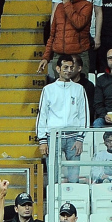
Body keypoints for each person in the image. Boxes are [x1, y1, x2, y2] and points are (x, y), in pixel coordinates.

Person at [35, 55, 90, 183]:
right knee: (53, 177)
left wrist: (80, 138)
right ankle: (54, 197)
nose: (69, 70)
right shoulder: (48, 89)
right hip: (53, 137)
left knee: (74, 177)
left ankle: (73, 196)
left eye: (71, 67)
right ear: (58, 69)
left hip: (74, 137)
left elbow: (84, 115)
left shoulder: (79, 89)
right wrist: (42, 140)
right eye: (65, 67)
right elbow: (42, 115)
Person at [37, 0, 92, 77]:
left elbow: (79, 23)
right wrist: (46, 57)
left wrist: (67, 4)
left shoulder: (86, 5)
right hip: (59, 56)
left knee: (79, 86)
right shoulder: (59, 7)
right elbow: (53, 35)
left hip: (78, 56)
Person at [50, 0, 103, 71]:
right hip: (61, 47)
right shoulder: (60, 3)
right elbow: (54, 22)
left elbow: (79, 23)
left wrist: (97, 36)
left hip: (82, 44)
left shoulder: (88, 1)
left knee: (81, 78)